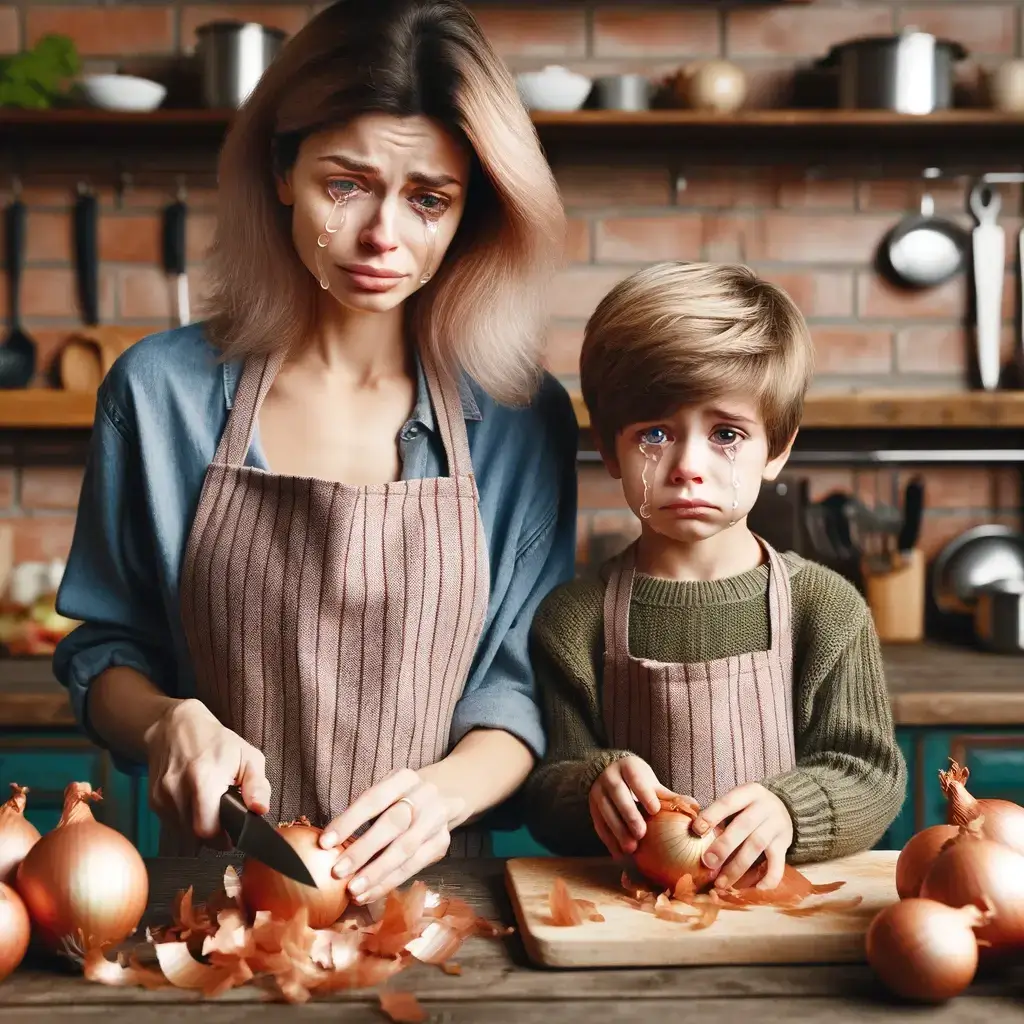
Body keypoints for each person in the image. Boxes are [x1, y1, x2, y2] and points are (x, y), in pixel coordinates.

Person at [52, 0, 577, 906]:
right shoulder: (156, 396)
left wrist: (442, 797)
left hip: (448, 911)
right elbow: (107, 653)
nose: (385, 236)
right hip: (205, 906)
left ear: (471, 213)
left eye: (429, 200)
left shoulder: (521, 420)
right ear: (282, 169)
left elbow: (525, 688)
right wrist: (167, 721)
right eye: (347, 184)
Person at [522, 262, 906, 891]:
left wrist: (790, 809)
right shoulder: (573, 620)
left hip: (781, 917)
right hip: (630, 921)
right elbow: (545, 790)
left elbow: (868, 771)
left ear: (777, 448)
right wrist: (591, 786)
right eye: (654, 433)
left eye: (726, 434)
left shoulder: (826, 608)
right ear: (610, 450)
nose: (688, 466)